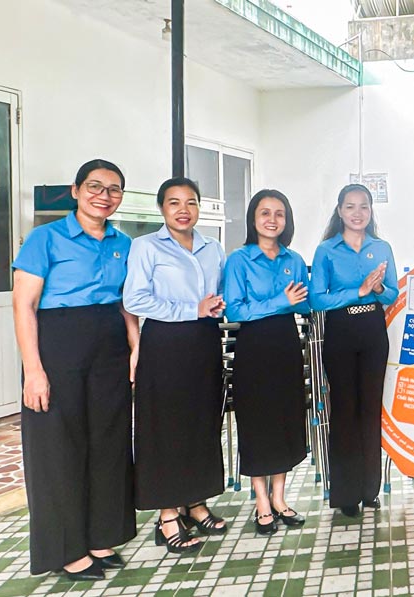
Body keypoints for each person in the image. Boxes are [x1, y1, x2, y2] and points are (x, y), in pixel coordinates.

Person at [11, 159, 137, 580]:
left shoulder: (122, 242)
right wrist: (34, 370)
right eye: (95, 187)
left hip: (109, 344)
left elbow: (124, 302)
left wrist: (135, 348)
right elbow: (23, 305)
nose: (104, 195)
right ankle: (67, 549)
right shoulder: (46, 239)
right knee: (59, 448)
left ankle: (101, 536)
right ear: (76, 190)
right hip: (59, 343)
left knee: (107, 441)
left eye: (114, 189)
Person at [123, 177, 227, 554]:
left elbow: (220, 294)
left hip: (204, 343)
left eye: (191, 203)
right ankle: (168, 513)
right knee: (165, 427)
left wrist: (219, 306)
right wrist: (190, 309)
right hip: (164, 345)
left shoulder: (213, 248)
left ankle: (196, 503)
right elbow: (134, 298)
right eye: (174, 203)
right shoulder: (145, 247)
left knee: (201, 423)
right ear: (162, 208)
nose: (183, 210)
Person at [223, 190, 309, 534]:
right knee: (258, 423)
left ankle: (280, 498)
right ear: (253, 219)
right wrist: (281, 300)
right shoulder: (239, 260)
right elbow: (235, 309)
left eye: (279, 214)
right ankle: (260, 501)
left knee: (286, 420)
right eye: (265, 213)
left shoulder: (295, 259)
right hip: (254, 349)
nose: (272, 219)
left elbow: (305, 304)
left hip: (287, 346)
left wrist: (298, 301)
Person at [310, 184, 397, 517]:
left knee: (370, 410)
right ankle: (346, 493)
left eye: (363, 207)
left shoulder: (382, 247)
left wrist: (377, 288)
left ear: (371, 211)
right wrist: (359, 291)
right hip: (341, 332)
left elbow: (390, 296)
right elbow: (317, 299)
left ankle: (369, 489)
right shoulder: (326, 251)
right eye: (350, 207)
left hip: (373, 331)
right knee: (345, 411)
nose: (357, 213)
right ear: (340, 211)